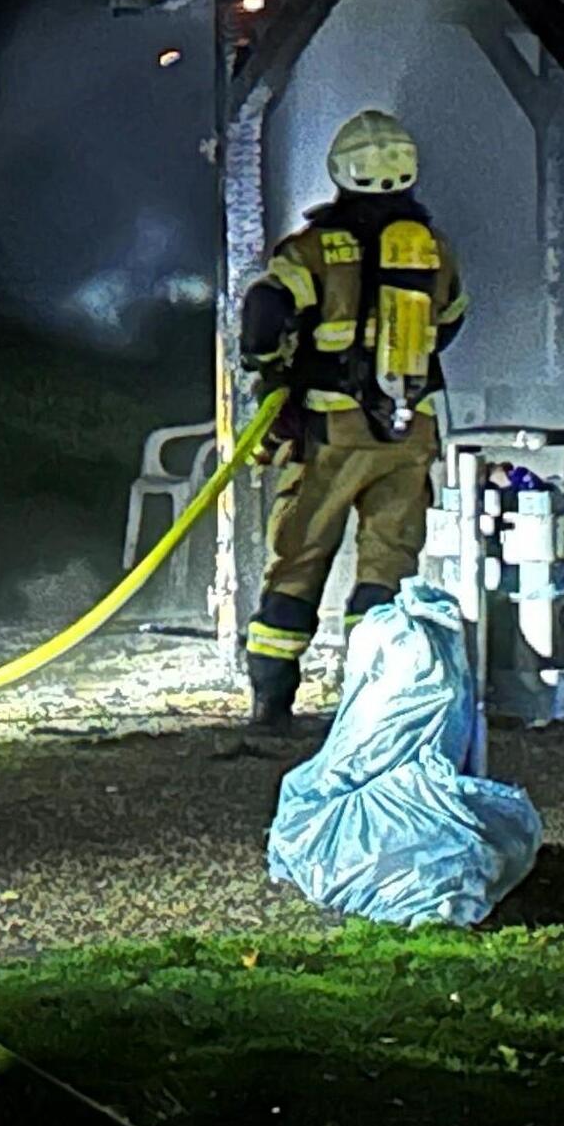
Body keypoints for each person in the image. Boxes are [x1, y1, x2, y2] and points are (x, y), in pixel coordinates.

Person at [234, 109, 468, 731]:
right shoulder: (434, 251)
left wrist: (267, 370)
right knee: (387, 568)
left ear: (340, 172)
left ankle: (271, 703)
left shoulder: (313, 251)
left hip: (330, 434)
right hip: (408, 433)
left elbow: (263, 311)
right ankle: (373, 707)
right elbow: (451, 324)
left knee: (299, 558)